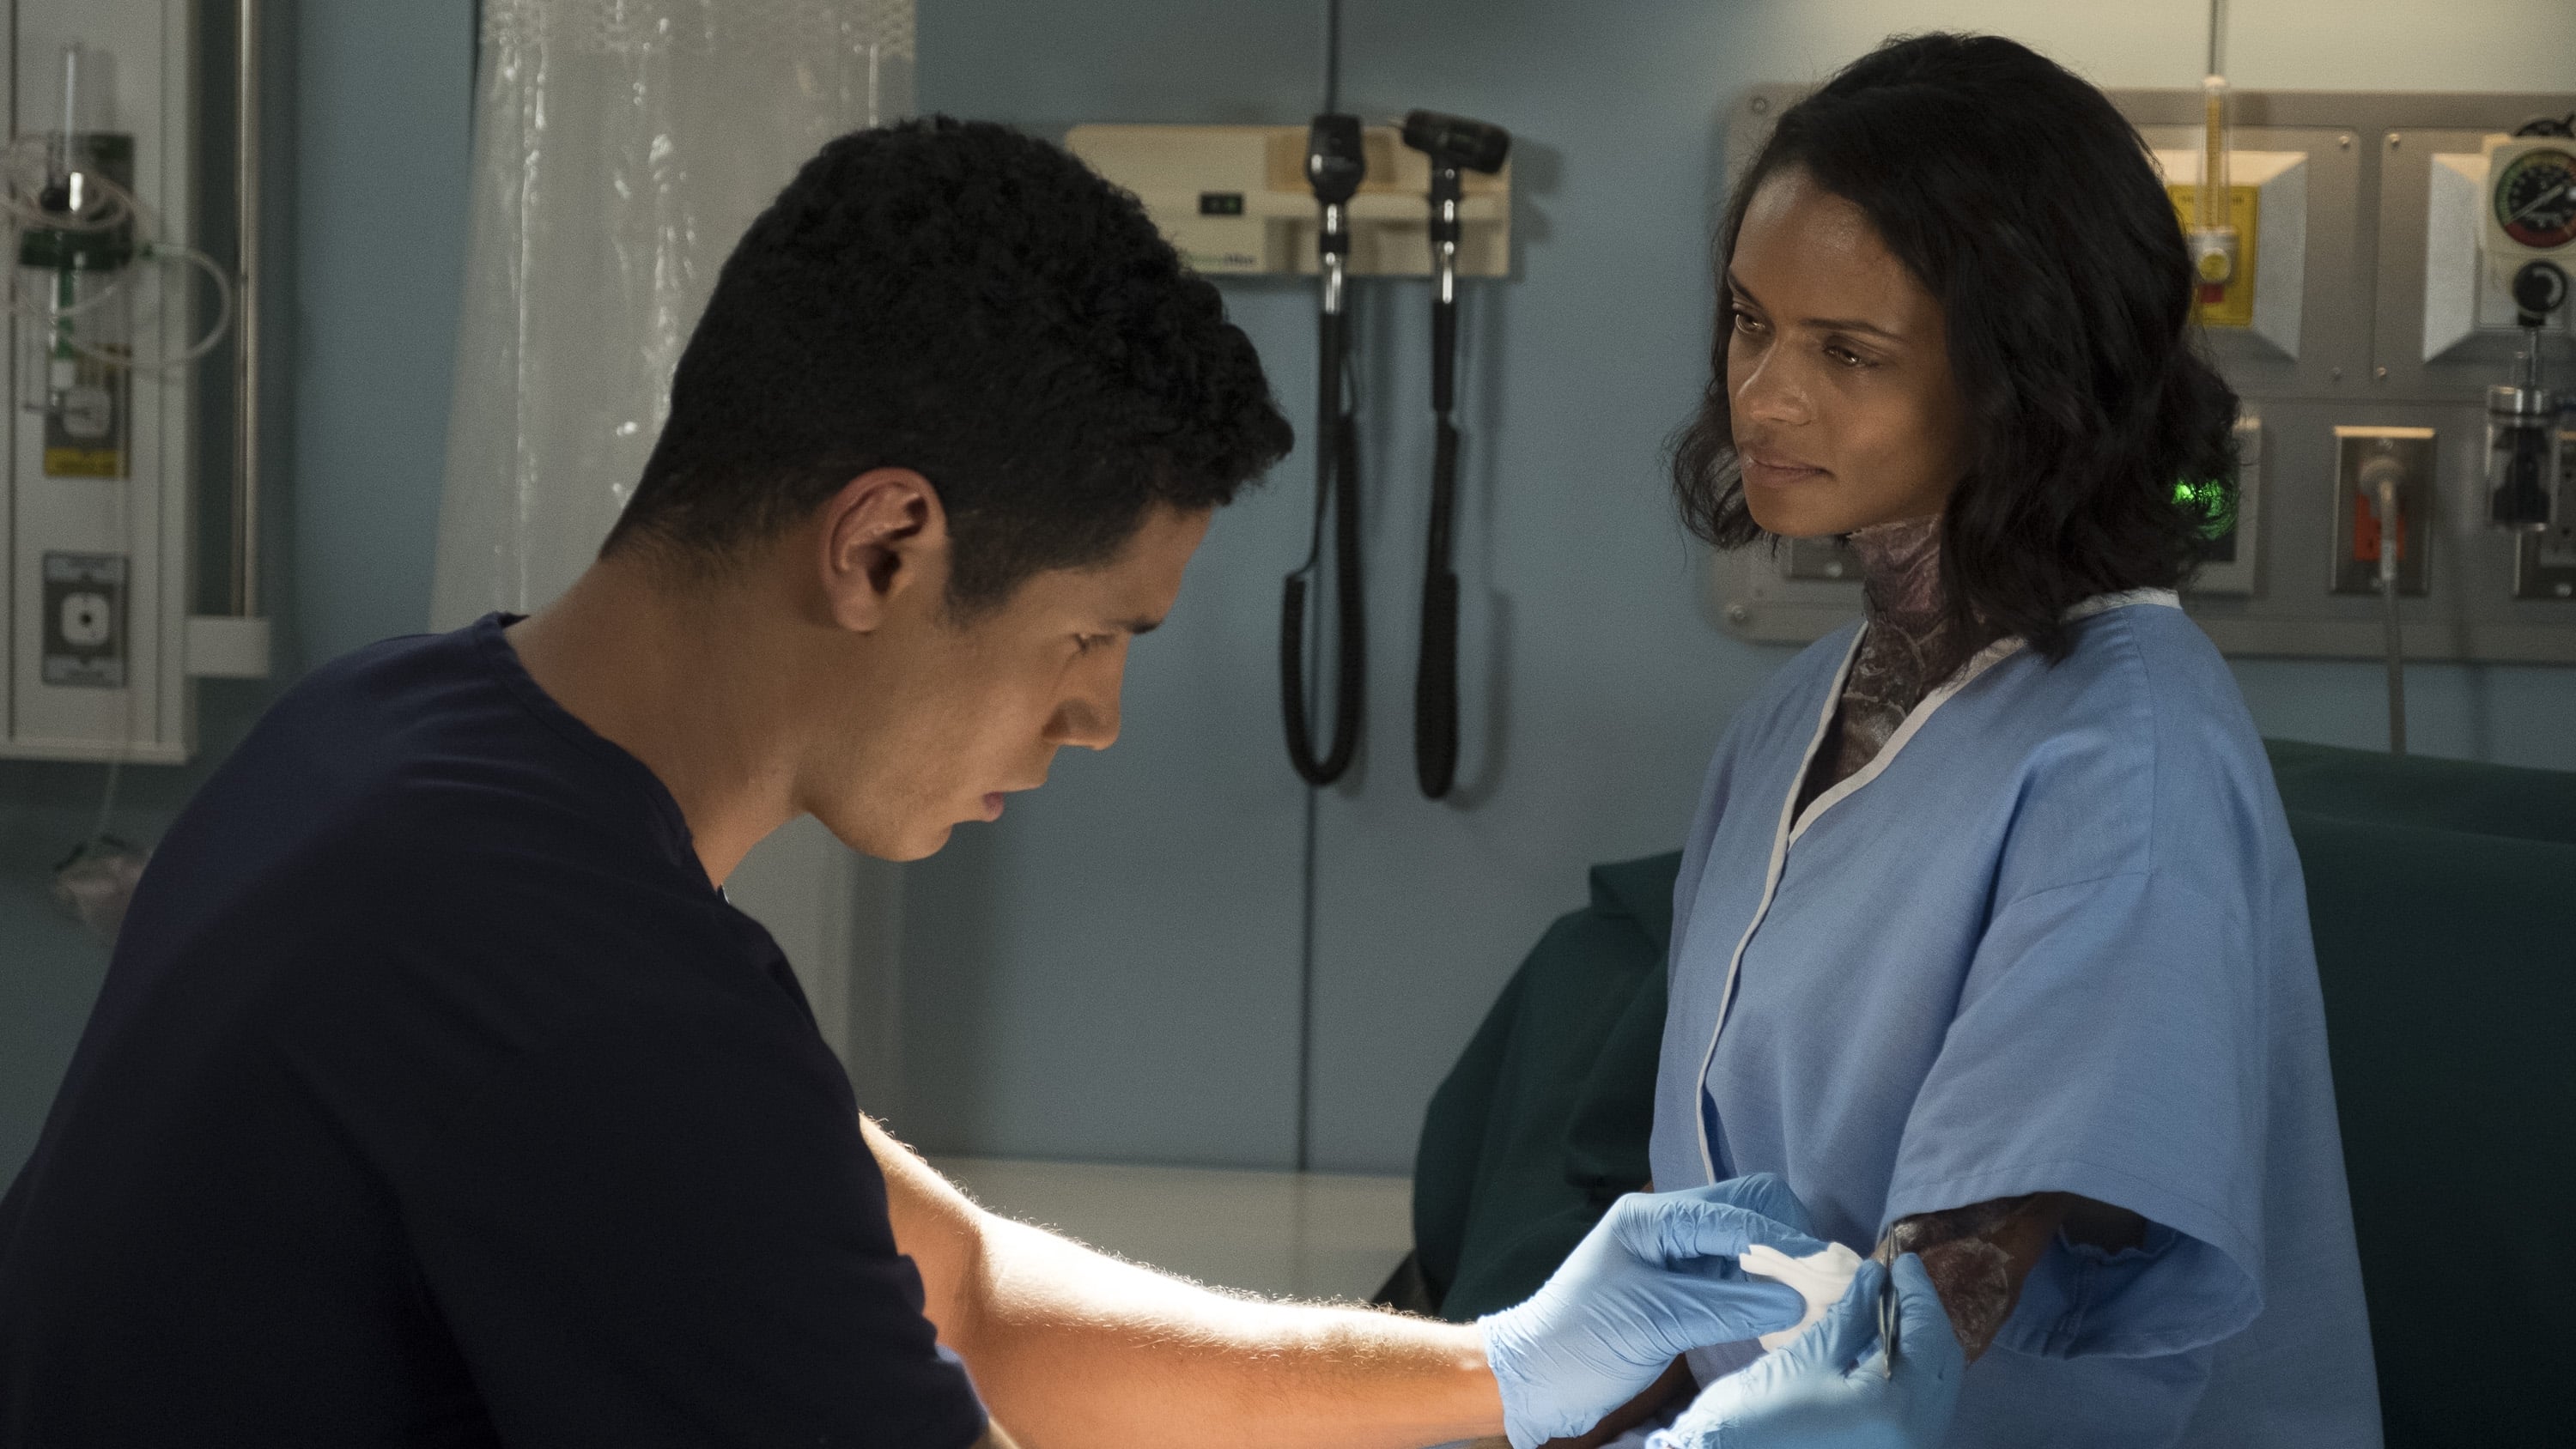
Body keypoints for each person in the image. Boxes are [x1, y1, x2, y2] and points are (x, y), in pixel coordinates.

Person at [0, 118, 1947, 1449]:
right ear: (883, 548)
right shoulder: (599, 1003)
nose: (1097, 722)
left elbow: (964, 1290)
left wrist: (1499, 1369)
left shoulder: (387, 739)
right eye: (1091, 637)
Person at [1643, 33, 2379, 1448]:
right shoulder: (1789, 723)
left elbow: (1946, 1302)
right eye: (1749, 321)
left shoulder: (2126, 765)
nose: (1765, 396)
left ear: (2020, 374)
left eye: (1847, 351)